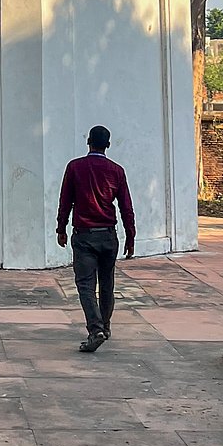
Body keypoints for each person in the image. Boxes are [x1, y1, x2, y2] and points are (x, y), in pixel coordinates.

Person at [56, 125, 135, 353]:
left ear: (88, 141)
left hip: (84, 235)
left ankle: (95, 329)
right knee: (107, 283)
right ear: (108, 145)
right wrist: (130, 235)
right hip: (108, 235)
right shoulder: (116, 171)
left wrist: (61, 227)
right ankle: (105, 327)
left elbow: (66, 201)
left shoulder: (75, 167)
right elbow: (126, 207)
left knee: (85, 285)